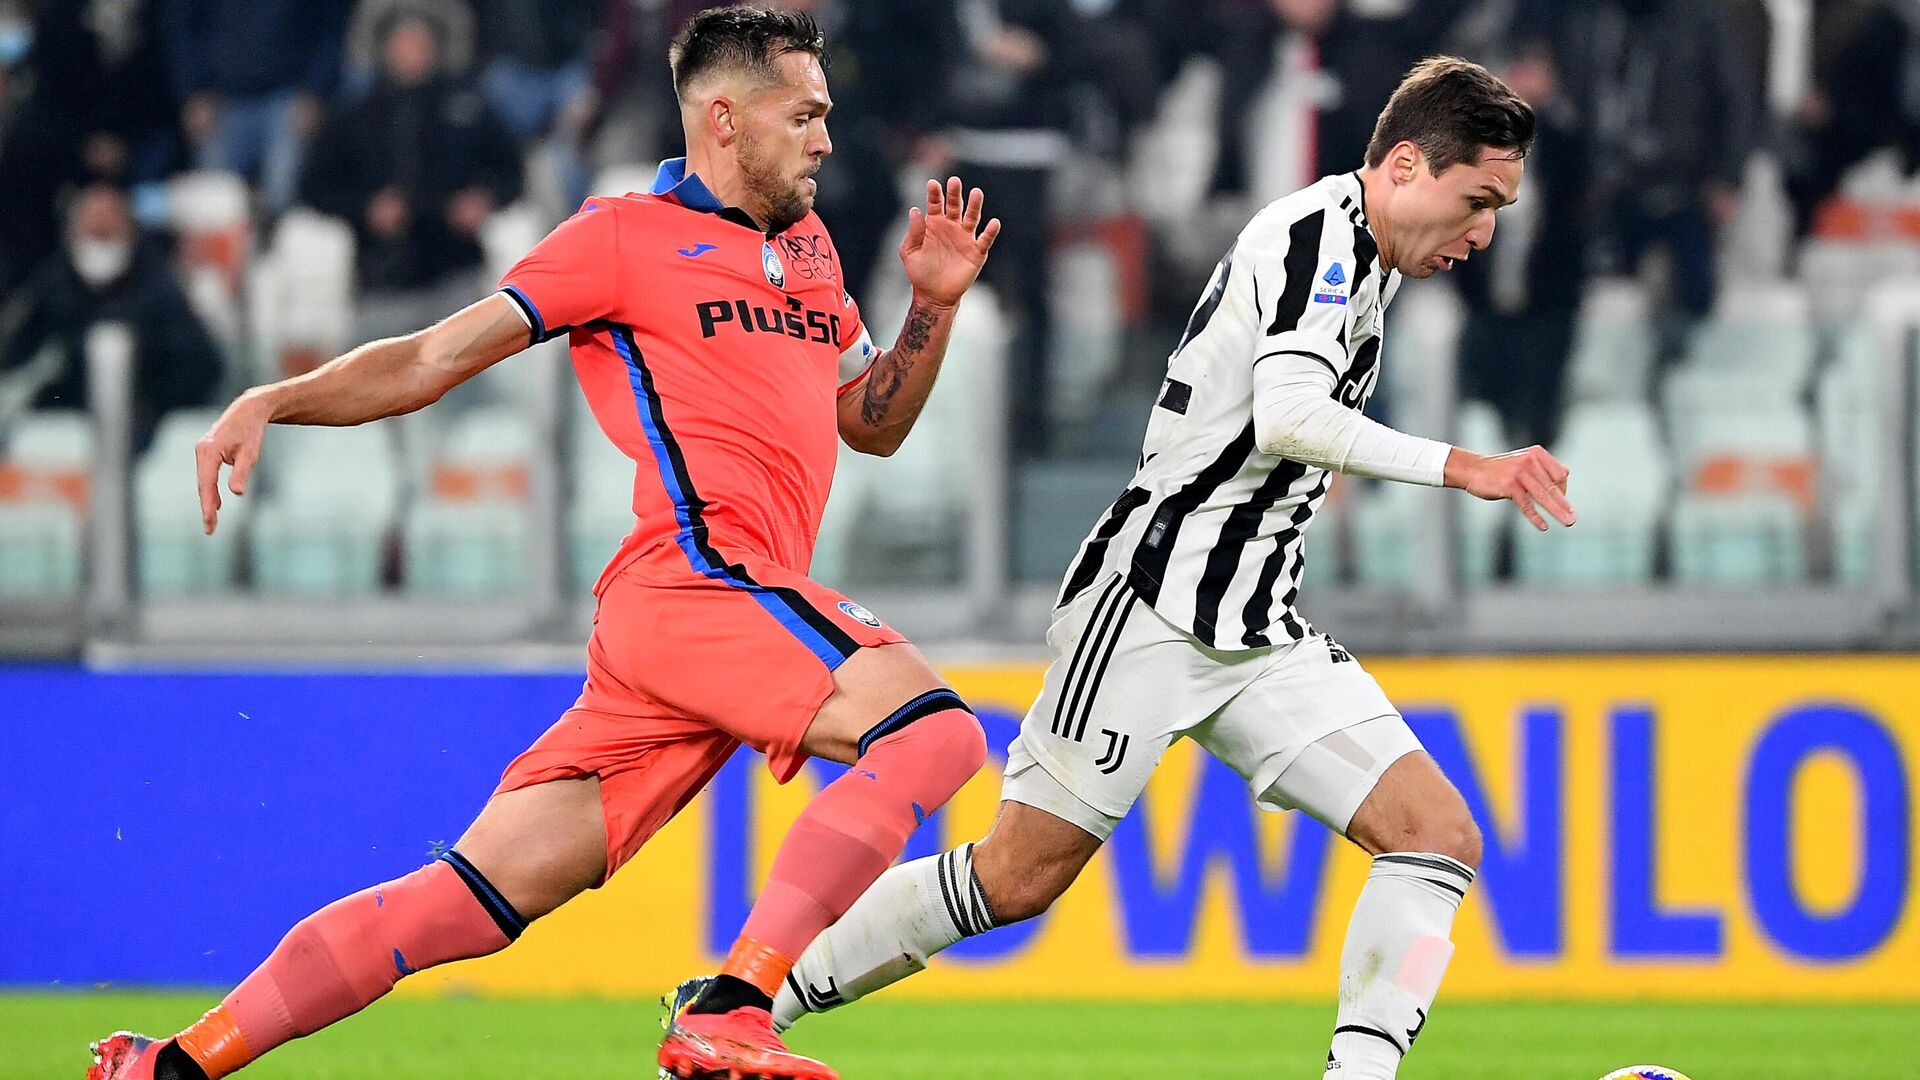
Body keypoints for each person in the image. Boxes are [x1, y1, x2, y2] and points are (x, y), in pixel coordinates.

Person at [85, 8, 1001, 1080]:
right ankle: (736, 1002)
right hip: (696, 579)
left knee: (464, 904)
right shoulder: (620, 236)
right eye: (803, 115)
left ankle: (176, 1064)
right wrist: (278, 399)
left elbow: (871, 423)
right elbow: (433, 357)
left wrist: (929, 311)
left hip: (702, 624)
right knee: (936, 736)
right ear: (722, 117)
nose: (825, 140)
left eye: (826, 116)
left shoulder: (807, 249)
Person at [765, 58, 1575, 1080]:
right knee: (1015, 880)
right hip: (1147, 608)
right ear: (1406, 166)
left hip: (1256, 628)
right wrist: (1463, 465)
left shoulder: (1366, 259)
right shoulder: (1314, 239)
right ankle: (747, 1003)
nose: (1485, 232)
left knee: (1436, 836)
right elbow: (1288, 417)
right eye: (1479, 201)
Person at [0, 184, 223, 449]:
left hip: (148, 427)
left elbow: (203, 364)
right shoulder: (48, 290)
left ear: (130, 232)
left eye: (108, 232)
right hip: (64, 430)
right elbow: (16, 360)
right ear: (71, 234)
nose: (100, 241)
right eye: (93, 232)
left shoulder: (160, 290)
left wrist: (148, 401)